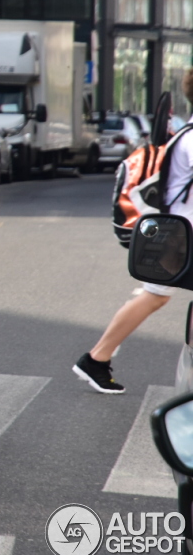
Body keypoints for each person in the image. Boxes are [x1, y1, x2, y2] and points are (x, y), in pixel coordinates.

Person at [74, 69, 193, 394]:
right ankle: (96, 358)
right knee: (154, 296)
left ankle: (97, 358)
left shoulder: (186, 133)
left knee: (154, 297)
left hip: (178, 233)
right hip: (184, 236)